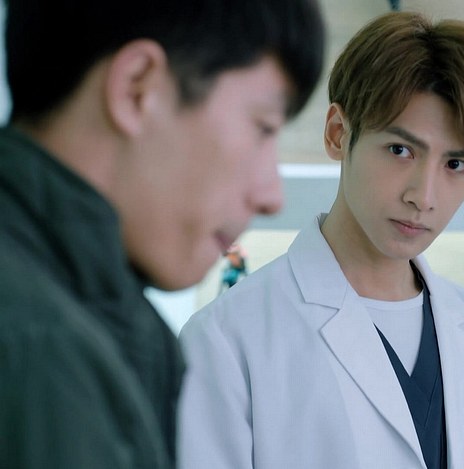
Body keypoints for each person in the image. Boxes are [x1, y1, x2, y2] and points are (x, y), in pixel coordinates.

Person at [177, 11, 464, 469]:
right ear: (338, 133)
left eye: (456, 164)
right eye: (400, 150)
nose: (423, 197)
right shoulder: (227, 341)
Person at [0, 0, 325, 467]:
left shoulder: (84, 326)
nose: (271, 195)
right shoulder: (39, 350)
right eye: (263, 127)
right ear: (137, 88)